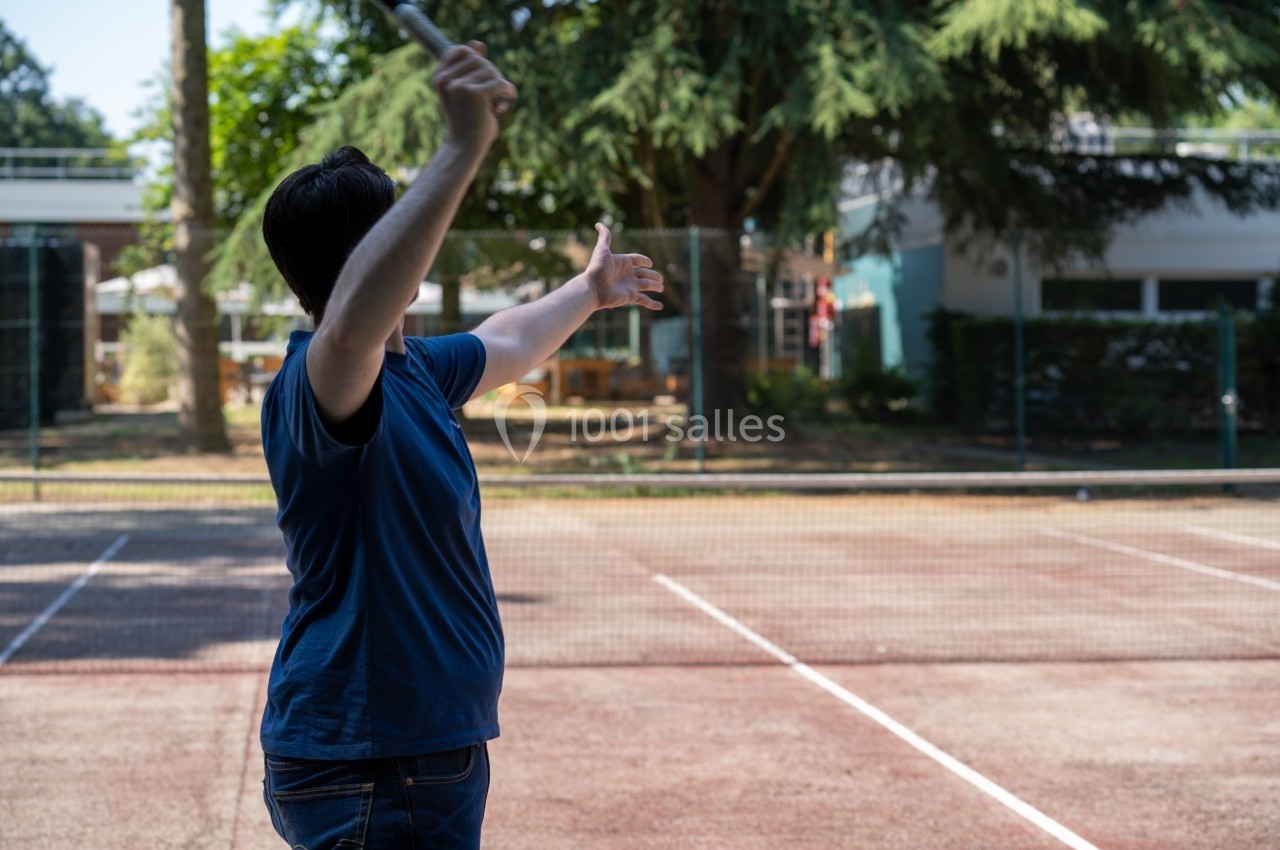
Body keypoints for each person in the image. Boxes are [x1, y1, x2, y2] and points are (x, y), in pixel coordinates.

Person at [256, 43, 663, 850]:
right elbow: (349, 322)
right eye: (400, 220)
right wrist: (461, 148)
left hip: (407, 756)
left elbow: (503, 337)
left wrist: (588, 291)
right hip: (377, 765)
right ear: (374, 254)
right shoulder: (327, 379)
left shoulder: (414, 371)